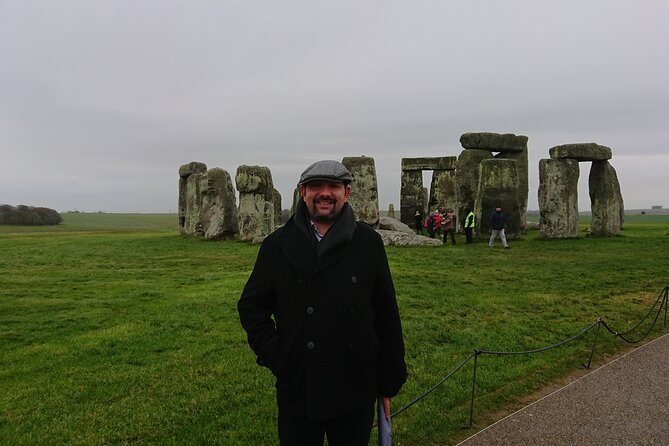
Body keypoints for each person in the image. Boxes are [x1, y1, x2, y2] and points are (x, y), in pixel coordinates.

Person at [238, 160, 408, 446]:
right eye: (316, 186)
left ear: (347, 192)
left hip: (354, 384)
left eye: (333, 187)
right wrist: (279, 357)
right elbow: (251, 306)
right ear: (303, 192)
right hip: (299, 385)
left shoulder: (368, 243)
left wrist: (389, 380)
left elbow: (386, 314)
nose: (325, 193)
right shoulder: (277, 245)